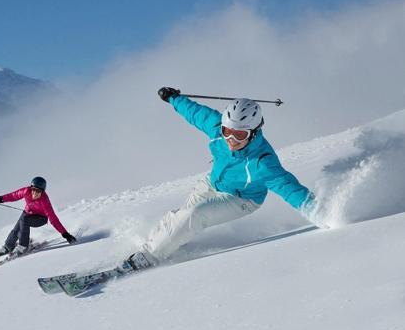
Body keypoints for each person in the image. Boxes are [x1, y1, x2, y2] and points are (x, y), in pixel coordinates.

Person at [130, 87, 320, 269]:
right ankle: (163, 246)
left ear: (253, 133)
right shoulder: (217, 129)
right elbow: (195, 113)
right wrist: (174, 98)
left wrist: (324, 213)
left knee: (194, 215)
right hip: (212, 182)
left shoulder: (262, 163)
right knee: (183, 216)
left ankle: (147, 258)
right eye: (228, 131)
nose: (231, 139)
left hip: (241, 199)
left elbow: (292, 190)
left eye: (239, 135)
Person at [0, 176, 77, 256]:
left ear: (42, 192)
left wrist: (65, 234)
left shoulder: (44, 200)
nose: (35, 193)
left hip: (41, 219)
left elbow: (53, 219)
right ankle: (8, 246)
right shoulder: (26, 191)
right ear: (31, 188)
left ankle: (23, 246)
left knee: (24, 219)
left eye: (38, 191)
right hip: (27, 214)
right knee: (17, 228)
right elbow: (12, 196)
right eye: (34, 189)